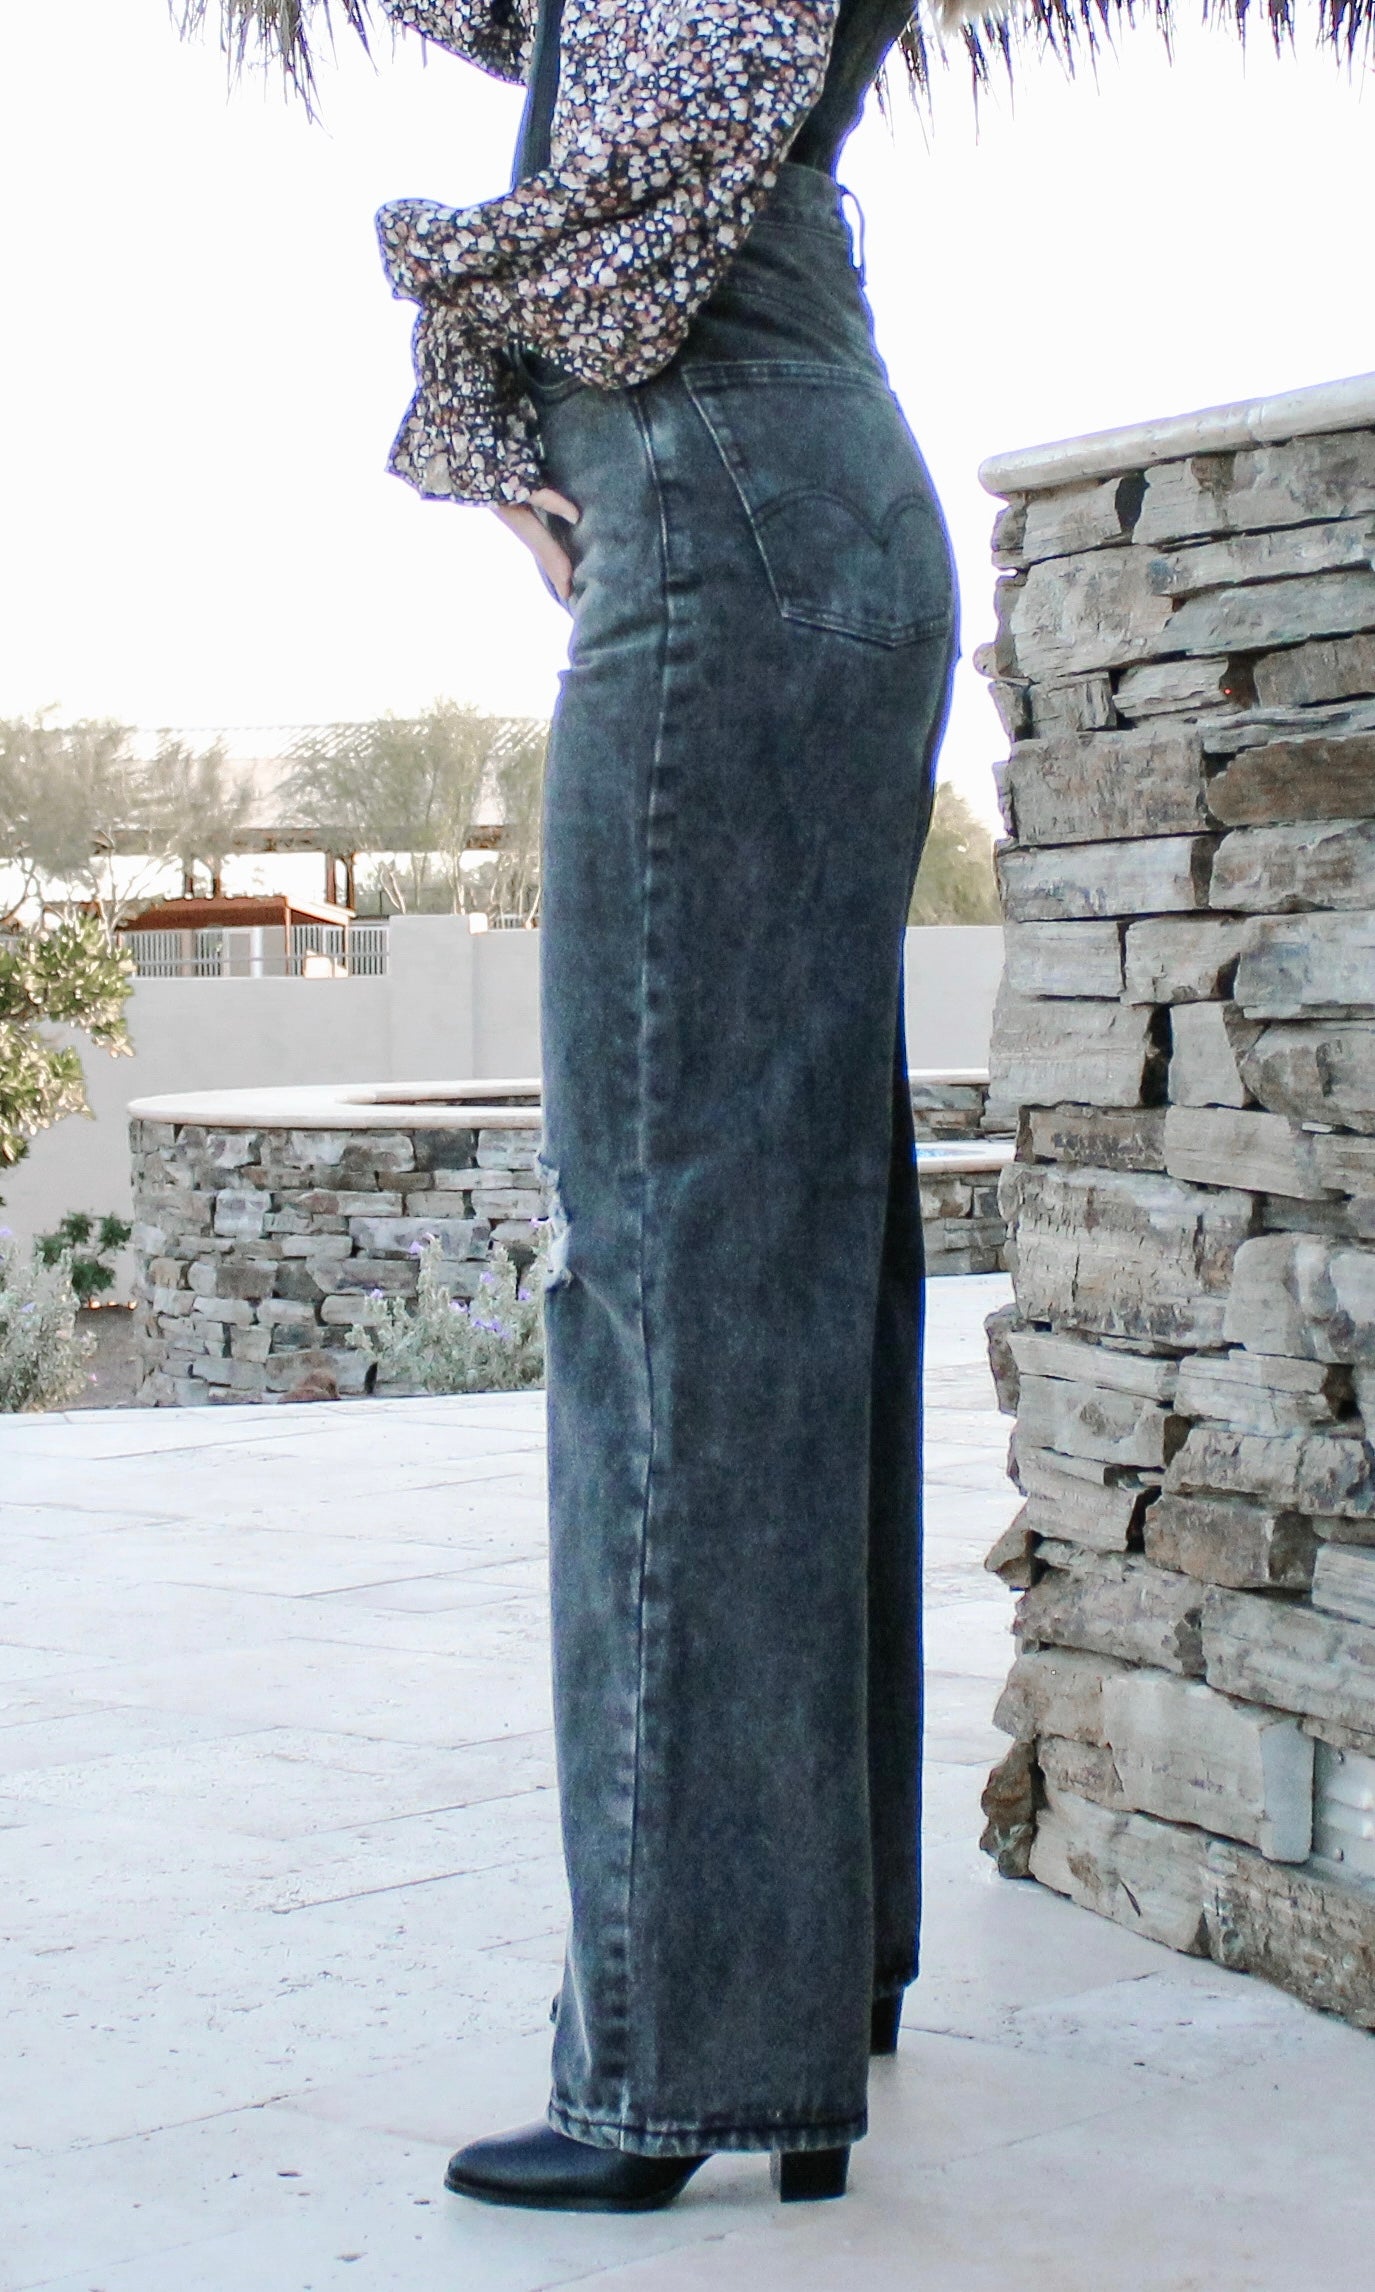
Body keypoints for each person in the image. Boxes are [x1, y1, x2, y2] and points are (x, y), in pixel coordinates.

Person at [374, 0, 971, 2214]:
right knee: (792, 1237)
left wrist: (438, 278)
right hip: (788, 502)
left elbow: (635, 196)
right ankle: (810, 1975)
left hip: (723, 514)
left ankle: (685, 2060)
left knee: (672, 1262)